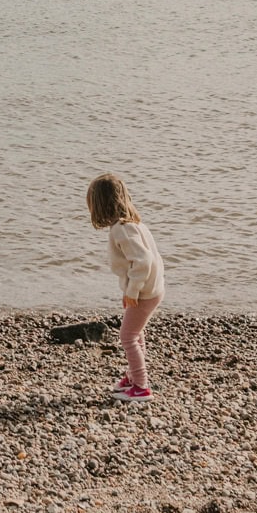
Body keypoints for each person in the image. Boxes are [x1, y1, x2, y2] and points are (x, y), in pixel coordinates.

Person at [87, 172, 164, 401]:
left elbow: (143, 261)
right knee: (135, 333)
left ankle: (141, 386)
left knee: (127, 336)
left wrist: (133, 292)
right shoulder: (134, 224)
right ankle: (132, 378)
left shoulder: (122, 229)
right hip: (151, 289)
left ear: (100, 205)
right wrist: (129, 290)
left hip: (144, 292)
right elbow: (150, 260)